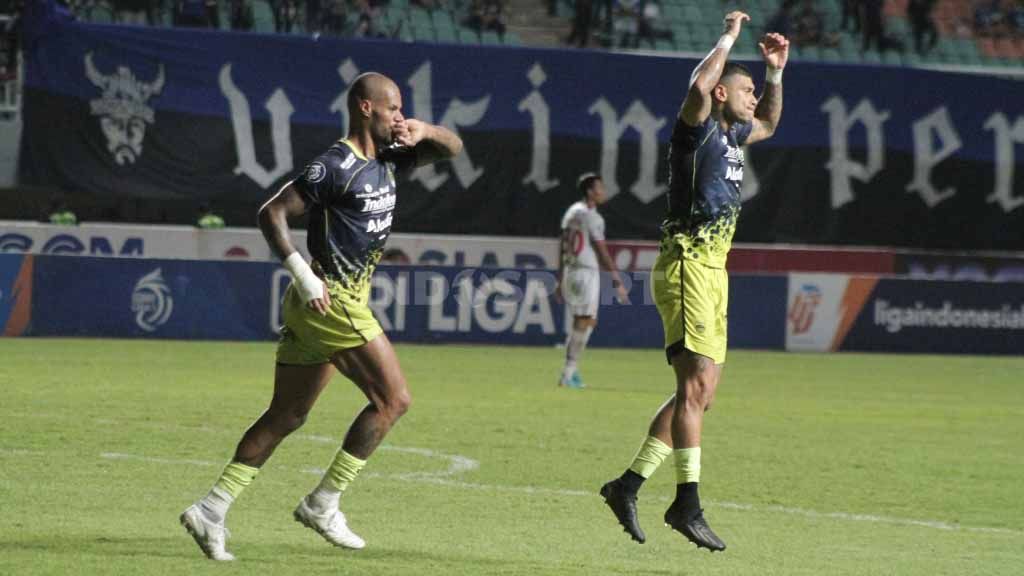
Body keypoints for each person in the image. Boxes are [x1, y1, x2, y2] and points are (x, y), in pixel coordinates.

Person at [180, 72, 463, 561]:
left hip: (328, 303)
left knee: (288, 413)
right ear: (365, 108)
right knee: (393, 400)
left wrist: (424, 129)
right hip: (332, 297)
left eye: (403, 109)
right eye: (393, 108)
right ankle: (323, 502)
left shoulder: (393, 154)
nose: (399, 115)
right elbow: (271, 212)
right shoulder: (334, 165)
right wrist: (302, 275)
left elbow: (453, 148)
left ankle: (212, 508)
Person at [599, 12, 786, 551]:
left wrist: (774, 74)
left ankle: (628, 485)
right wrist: (728, 37)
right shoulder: (696, 130)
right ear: (723, 92)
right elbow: (699, 85)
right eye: (746, 90)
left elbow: (770, 124)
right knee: (694, 386)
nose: (752, 99)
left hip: (713, 272)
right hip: (686, 265)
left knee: (701, 393)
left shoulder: (733, 136)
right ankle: (687, 503)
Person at [555, 173, 629, 389]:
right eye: (599, 188)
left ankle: (572, 370)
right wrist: (617, 279)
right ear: (590, 191)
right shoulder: (592, 217)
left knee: (588, 321)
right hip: (585, 272)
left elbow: (562, 245)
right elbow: (602, 251)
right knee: (583, 320)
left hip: (571, 270)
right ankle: (568, 372)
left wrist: (560, 277)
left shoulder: (572, 212)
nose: (603, 192)